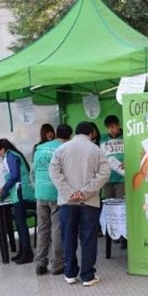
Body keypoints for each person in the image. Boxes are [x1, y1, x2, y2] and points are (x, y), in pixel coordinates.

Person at [49, 121, 111, 286]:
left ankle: (70, 273)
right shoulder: (96, 150)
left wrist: (69, 193)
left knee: (68, 238)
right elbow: (105, 173)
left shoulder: (61, 149)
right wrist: (85, 192)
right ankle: (88, 276)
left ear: (75, 133)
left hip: (66, 202)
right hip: (89, 202)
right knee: (88, 238)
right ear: (91, 133)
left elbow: (53, 172)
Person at [31, 124, 72, 276]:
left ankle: (40, 264)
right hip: (56, 194)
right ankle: (57, 264)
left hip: (40, 193)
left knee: (42, 229)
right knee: (57, 229)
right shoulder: (64, 149)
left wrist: (38, 188)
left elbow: (32, 172)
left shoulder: (40, 148)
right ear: (69, 137)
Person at [0, 138, 35, 264]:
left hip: (20, 193)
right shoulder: (12, 155)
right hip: (18, 192)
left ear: (2, 149)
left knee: (21, 223)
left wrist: (3, 188)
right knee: (19, 223)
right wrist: (3, 195)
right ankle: (22, 251)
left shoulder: (10, 156)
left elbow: (14, 176)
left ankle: (27, 253)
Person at [100, 115, 125, 199]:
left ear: (119, 125)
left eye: (112, 127)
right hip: (107, 178)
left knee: (120, 204)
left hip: (122, 178)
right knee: (109, 205)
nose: (110, 130)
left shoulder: (126, 137)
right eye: (108, 128)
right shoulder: (102, 139)